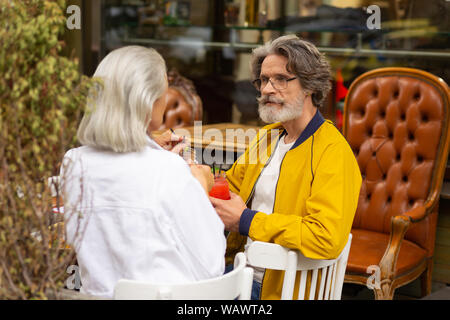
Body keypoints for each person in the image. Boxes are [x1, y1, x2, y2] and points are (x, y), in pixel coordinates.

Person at [60, 46, 226, 298]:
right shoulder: (169, 170)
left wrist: (152, 153)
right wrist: (199, 187)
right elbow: (211, 266)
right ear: (149, 100)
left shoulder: (73, 163)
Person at [210, 35, 362, 300]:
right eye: (264, 80)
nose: (268, 89)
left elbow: (325, 237)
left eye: (281, 79)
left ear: (309, 86)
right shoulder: (267, 137)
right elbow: (227, 189)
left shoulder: (333, 152)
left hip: (285, 291)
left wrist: (247, 220)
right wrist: (186, 166)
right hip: (237, 275)